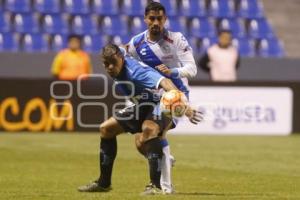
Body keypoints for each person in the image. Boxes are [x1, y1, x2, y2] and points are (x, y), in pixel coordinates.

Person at [77, 44, 201, 195]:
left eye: (113, 63)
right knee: (107, 129)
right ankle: (104, 183)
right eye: (105, 63)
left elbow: (166, 83)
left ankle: (155, 186)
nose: (109, 67)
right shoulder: (118, 54)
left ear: (121, 59)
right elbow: (121, 47)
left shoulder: (136, 72)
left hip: (161, 102)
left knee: (149, 129)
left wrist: (186, 108)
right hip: (143, 103)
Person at [125, 1, 197, 193]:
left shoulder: (176, 39)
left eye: (159, 18)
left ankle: (164, 187)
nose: (155, 22)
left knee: (154, 130)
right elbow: (129, 67)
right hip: (150, 96)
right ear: (145, 19)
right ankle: (165, 158)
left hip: (174, 95)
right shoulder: (136, 43)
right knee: (141, 141)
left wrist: (172, 71)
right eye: (152, 18)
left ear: (165, 19)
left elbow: (192, 69)